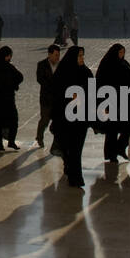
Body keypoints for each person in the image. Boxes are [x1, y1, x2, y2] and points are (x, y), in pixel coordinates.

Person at [50, 44, 94, 187]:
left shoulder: (86, 72)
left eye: (83, 56)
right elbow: (55, 94)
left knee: (77, 148)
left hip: (81, 117)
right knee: (69, 148)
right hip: (66, 118)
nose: (82, 58)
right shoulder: (62, 73)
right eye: (79, 56)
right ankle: (70, 168)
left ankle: (76, 177)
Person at [96, 42, 130, 162]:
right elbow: (100, 83)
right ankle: (111, 154)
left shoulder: (124, 63)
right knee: (112, 130)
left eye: (123, 52)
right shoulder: (107, 64)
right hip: (112, 100)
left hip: (125, 100)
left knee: (128, 126)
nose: (122, 55)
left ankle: (120, 148)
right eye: (120, 52)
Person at [36, 43, 60, 149]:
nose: (57, 57)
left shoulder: (61, 65)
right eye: (55, 55)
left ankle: (57, 143)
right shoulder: (41, 64)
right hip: (46, 98)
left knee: (58, 121)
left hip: (57, 99)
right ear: (49, 54)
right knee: (45, 120)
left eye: (58, 55)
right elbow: (40, 79)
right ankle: (39, 136)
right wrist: (52, 85)